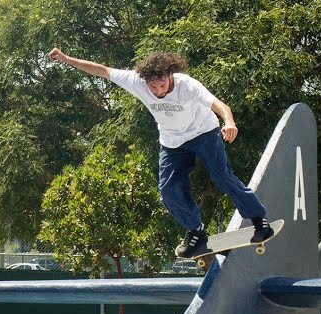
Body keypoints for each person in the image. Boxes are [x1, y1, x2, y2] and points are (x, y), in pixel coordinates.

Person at [48, 48, 273, 258]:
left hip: (204, 133)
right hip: (172, 141)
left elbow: (219, 105)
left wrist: (229, 122)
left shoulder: (188, 85)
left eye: (162, 85)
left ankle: (258, 219)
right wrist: (66, 59)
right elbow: (102, 70)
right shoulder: (137, 81)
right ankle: (195, 230)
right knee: (168, 190)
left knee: (221, 175)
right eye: (153, 87)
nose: (158, 91)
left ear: (170, 75)